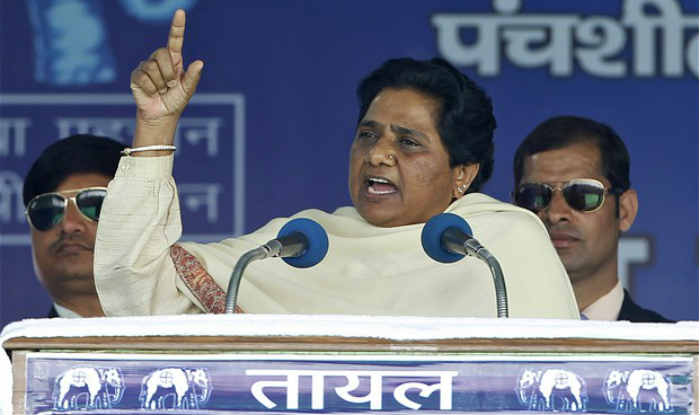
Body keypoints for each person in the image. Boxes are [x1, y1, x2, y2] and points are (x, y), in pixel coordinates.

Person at [94, 10, 578, 318]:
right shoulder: (300, 247)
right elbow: (138, 297)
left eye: (408, 143)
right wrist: (155, 127)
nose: (377, 154)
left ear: (462, 174)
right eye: (367, 134)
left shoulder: (500, 248)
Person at [512, 116, 672, 322]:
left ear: (624, 210)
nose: (555, 213)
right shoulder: (483, 345)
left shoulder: (678, 350)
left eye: (581, 194)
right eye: (535, 196)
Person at [22, 134, 126, 318]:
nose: (68, 224)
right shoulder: (13, 346)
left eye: (96, 205)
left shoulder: (191, 339)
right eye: (49, 210)